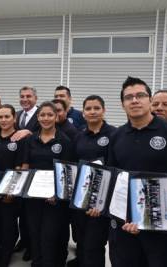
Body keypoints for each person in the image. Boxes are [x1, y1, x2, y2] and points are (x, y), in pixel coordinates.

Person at [108, 76, 167, 267]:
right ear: (123, 104)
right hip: (126, 225)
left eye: (140, 95)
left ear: (150, 100)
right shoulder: (116, 137)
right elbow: (114, 179)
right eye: (128, 97)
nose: (134, 100)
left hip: (162, 228)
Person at [21, 101, 74, 267]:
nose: (46, 118)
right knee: (35, 234)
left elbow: (68, 171)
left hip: (54, 200)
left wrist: (57, 194)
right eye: (42, 115)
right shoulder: (30, 140)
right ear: (38, 117)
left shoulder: (64, 141)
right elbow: (25, 166)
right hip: (33, 197)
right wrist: (24, 188)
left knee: (49, 236)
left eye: (50, 115)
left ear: (56, 117)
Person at [73, 95, 116, 267]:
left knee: (94, 244)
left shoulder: (114, 134)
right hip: (80, 198)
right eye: (88, 109)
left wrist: (100, 203)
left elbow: (115, 168)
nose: (92, 112)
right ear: (83, 113)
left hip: (101, 200)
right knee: (81, 240)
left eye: (96, 108)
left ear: (104, 110)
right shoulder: (79, 135)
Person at [0, 104, 23, 267]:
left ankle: (5, 257)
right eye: (0, 117)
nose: (3, 120)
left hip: (11, 190)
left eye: (7, 116)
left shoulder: (21, 138)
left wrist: (11, 190)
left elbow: (22, 166)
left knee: (8, 226)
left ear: (14, 118)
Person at [11, 86, 40, 260]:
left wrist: (30, 132)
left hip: (33, 166)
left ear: (35, 98)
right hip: (18, 165)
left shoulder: (40, 114)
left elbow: (47, 130)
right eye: (22, 96)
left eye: (28, 96)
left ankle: (31, 245)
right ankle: (23, 240)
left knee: (31, 211)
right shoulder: (19, 115)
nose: (25, 99)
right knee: (20, 208)